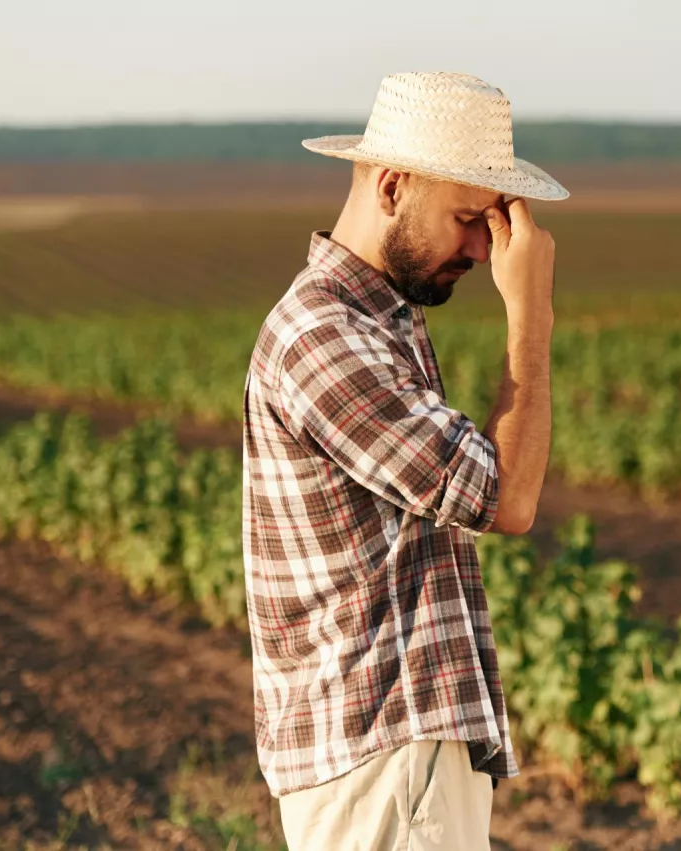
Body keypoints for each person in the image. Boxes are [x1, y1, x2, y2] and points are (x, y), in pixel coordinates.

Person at [240, 71, 568, 851]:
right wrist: (532, 314)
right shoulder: (327, 339)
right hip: (384, 753)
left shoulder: (376, 323)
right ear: (390, 185)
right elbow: (507, 498)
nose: (484, 248)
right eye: (466, 217)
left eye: (490, 222)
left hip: (390, 757)